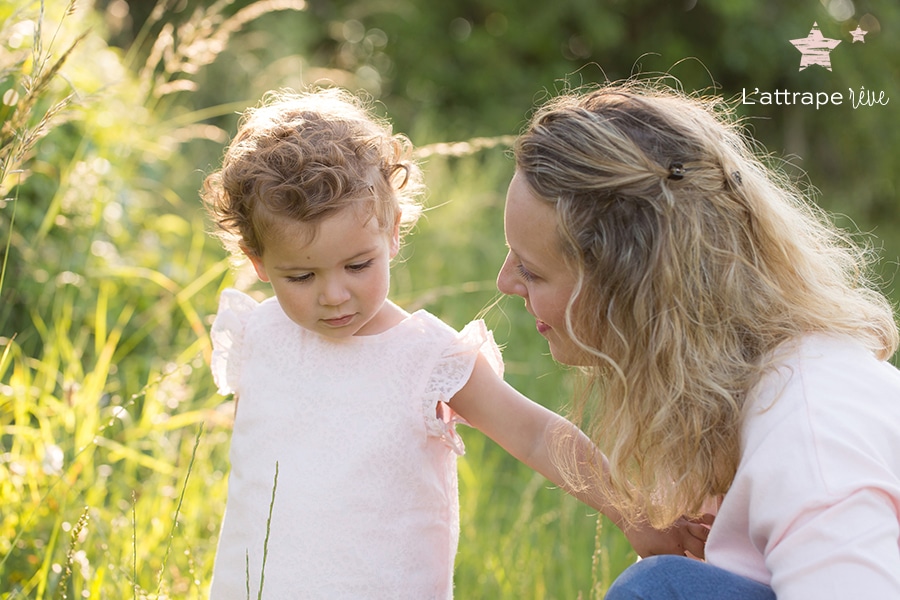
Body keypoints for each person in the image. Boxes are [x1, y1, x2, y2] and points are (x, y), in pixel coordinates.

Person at [200, 87, 703, 599]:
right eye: (301, 276)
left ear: (392, 233)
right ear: (258, 261)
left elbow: (533, 433)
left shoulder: (426, 357)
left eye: (357, 265)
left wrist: (632, 512)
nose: (334, 295)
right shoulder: (257, 337)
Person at [496, 79, 900, 599]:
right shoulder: (749, 389)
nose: (505, 282)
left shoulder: (810, 436)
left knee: (661, 589)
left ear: (628, 287)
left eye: (532, 271)